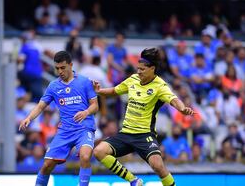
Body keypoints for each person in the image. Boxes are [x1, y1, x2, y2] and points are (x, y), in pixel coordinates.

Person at [93, 48, 194, 186]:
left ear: (152, 68)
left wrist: (182, 108)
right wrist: (99, 91)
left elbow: (174, 100)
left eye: (142, 69)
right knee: (99, 151)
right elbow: (114, 91)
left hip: (144, 135)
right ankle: (133, 180)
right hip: (126, 133)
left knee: (158, 166)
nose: (138, 72)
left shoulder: (160, 86)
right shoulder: (133, 80)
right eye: (137, 68)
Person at [19, 51, 99, 186]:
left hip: (84, 128)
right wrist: (29, 118)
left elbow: (95, 106)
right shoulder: (54, 86)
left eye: (63, 68)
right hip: (65, 131)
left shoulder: (84, 82)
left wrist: (86, 112)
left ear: (71, 65)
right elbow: (40, 106)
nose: (60, 71)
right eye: (57, 68)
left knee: (85, 156)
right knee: (46, 165)